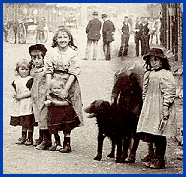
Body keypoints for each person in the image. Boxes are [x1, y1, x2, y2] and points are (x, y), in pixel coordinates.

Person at [136, 48, 177, 169]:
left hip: (160, 105)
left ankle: (160, 159)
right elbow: (145, 90)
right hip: (150, 105)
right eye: (151, 60)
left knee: (160, 133)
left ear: (162, 61)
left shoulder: (165, 74)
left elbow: (169, 91)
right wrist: (145, 102)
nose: (153, 63)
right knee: (151, 132)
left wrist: (165, 107)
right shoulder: (149, 74)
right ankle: (152, 155)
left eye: (156, 60)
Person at [45, 28, 83, 153]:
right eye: (60, 37)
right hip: (55, 82)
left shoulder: (73, 53)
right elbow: (49, 70)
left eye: (65, 37)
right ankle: (56, 141)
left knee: (66, 113)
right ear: (56, 39)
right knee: (53, 112)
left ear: (69, 39)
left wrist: (66, 89)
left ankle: (67, 142)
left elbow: (74, 72)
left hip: (68, 83)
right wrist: (49, 87)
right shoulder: (51, 53)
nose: (62, 40)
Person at [45, 79, 80, 152]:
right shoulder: (50, 95)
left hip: (65, 115)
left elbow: (66, 103)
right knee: (54, 129)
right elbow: (48, 103)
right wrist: (48, 103)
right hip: (54, 115)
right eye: (54, 88)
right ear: (51, 89)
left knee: (66, 129)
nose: (56, 90)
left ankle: (67, 144)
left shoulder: (64, 95)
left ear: (63, 89)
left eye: (59, 88)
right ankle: (57, 144)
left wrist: (53, 102)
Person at [29, 44, 52, 150]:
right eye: (34, 58)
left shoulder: (45, 70)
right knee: (38, 117)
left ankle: (47, 140)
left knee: (44, 118)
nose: (36, 60)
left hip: (43, 95)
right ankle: (41, 137)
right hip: (35, 95)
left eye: (39, 58)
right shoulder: (33, 69)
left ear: (43, 58)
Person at [10, 59, 34, 145]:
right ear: (18, 70)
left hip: (27, 102)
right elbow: (15, 89)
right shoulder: (17, 80)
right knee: (23, 119)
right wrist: (15, 94)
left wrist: (22, 96)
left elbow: (32, 91)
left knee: (29, 119)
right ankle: (23, 136)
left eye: (26, 69)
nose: (24, 71)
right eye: (22, 69)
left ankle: (30, 137)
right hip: (20, 103)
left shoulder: (30, 79)